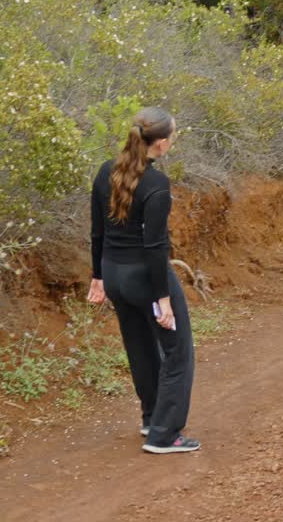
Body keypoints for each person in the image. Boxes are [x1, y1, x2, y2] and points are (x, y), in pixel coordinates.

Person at [86, 107, 200, 454]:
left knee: (140, 348)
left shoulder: (107, 171)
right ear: (162, 144)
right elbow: (155, 248)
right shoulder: (156, 185)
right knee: (178, 352)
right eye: (174, 136)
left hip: (115, 276)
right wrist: (163, 299)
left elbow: (97, 232)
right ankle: (164, 435)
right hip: (145, 279)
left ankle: (152, 417)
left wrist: (97, 277)